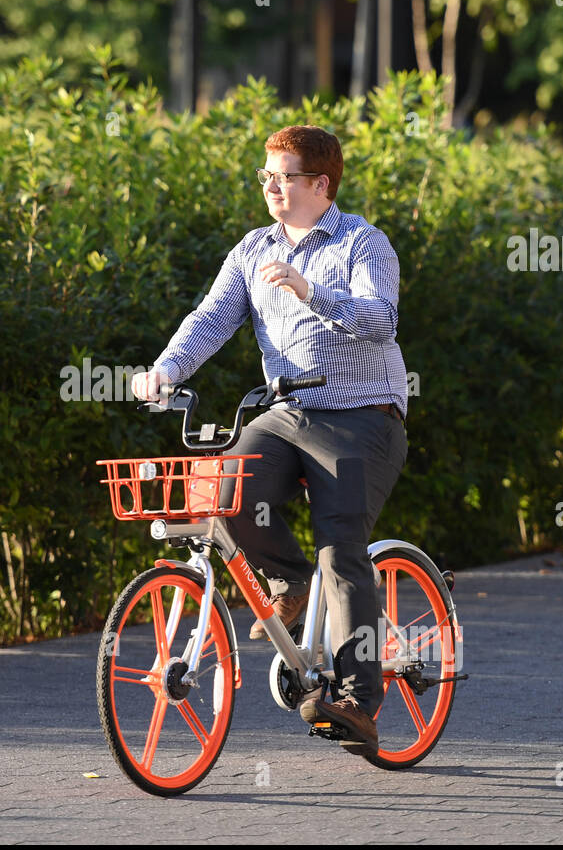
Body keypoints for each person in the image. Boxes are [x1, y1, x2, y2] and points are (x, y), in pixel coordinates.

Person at [130, 125, 408, 756]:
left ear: (320, 184)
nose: (272, 187)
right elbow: (212, 317)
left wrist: (312, 291)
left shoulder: (364, 243)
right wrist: (167, 370)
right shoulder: (254, 249)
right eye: (266, 176)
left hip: (363, 418)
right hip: (287, 415)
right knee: (217, 490)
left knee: (341, 549)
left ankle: (359, 702)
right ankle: (288, 586)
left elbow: (381, 320)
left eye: (284, 176)